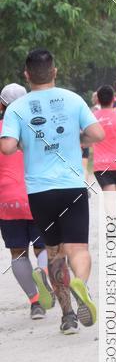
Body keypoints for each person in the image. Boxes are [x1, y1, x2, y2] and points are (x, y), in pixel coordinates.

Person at [0, 48, 104, 334]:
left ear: (27, 75)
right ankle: (80, 283)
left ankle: (68, 316)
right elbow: (98, 134)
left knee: (55, 253)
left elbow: (7, 146)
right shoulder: (72, 99)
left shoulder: (17, 108)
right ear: (54, 72)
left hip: (39, 192)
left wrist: (23, 143)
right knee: (79, 249)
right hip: (71, 186)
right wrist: (75, 139)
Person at [0, 83, 54, 320]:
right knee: (43, 245)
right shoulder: (41, 127)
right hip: (38, 195)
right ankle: (43, 275)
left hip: (7, 200)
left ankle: (35, 303)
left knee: (18, 253)